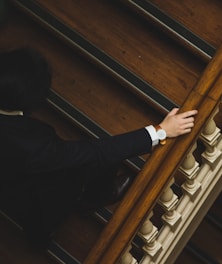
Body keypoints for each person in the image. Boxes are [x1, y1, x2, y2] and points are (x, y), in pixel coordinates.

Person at [0, 47, 197, 247]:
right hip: (33, 195)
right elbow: (95, 152)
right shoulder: (32, 148)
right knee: (102, 160)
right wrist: (161, 131)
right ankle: (82, 206)